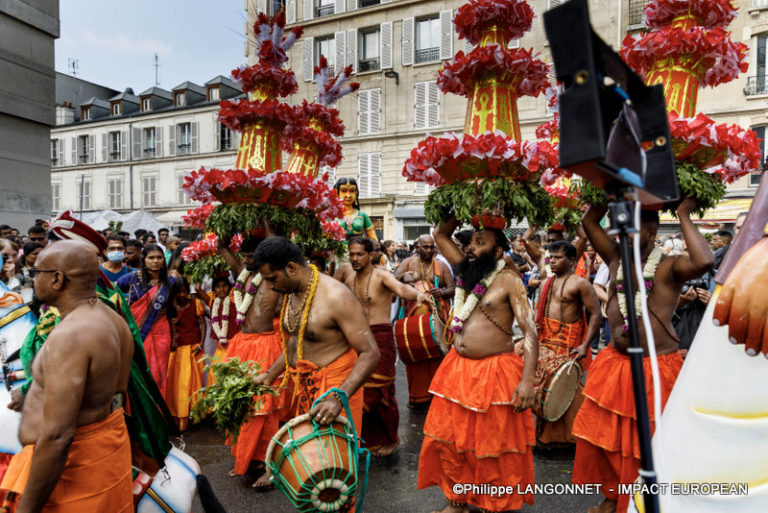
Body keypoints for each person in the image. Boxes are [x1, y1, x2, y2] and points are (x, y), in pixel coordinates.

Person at [573, 199, 714, 513]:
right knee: (608, 441)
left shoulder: (669, 266)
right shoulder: (614, 257)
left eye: (631, 231)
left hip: (655, 368)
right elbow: (589, 224)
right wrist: (603, 188)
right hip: (614, 363)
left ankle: (645, 504)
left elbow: (704, 261)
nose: (621, 237)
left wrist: (682, 214)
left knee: (646, 445)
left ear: (652, 233)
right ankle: (613, 500)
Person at [0, 241, 134, 512]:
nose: (32, 278)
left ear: (57, 279)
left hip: (73, 471)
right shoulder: (110, 317)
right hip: (105, 450)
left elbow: (58, 435)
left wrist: (28, 507)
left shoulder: (71, 335)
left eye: (36, 272)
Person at [419, 217, 538, 513]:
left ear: (499, 252)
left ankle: (492, 504)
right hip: (457, 370)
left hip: (495, 373)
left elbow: (530, 332)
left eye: (480, 243)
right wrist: (462, 203)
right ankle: (456, 502)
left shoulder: (509, 280)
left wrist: (527, 382)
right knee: (451, 441)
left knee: (492, 447)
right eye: (471, 241)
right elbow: (440, 233)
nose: (471, 247)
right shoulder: (465, 269)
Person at [253, 237, 379, 453]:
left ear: (291, 268)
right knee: (308, 463)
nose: (271, 287)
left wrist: (338, 397)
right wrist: (270, 375)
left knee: (332, 469)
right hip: (305, 388)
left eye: (273, 278)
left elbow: (370, 353)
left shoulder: (336, 296)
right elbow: (297, 340)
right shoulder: (292, 291)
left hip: (334, 390)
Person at [342, 237, 429, 457]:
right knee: (357, 390)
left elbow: (401, 289)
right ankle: (365, 438)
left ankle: (392, 438)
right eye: (351, 254)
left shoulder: (381, 275)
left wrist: (419, 295)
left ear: (370, 255)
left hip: (380, 338)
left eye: (359, 254)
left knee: (380, 391)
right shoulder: (345, 275)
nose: (354, 258)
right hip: (354, 338)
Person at [216, 234, 284, 488]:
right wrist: (231, 218)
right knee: (242, 405)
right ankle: (247, 459)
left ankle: (271, 468)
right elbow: (222, 247)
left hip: (265, 345)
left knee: (265, 409)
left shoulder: (272, 278)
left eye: (251, 255)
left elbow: (276, 241)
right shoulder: (242, 273)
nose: (245, 259)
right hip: (241, 344)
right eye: (243, 255)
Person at [534, 240, 601, 446]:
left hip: (568, 343)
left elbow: (596, 314)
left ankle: (570, 436)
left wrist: (584, 345)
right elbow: (539, 312)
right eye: (550, 257)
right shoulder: (546, 282)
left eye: (558, 257)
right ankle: (544, 437)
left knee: (564, 385)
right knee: (541, 387)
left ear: (571, 260)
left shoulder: (581, 283)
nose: (552, 261)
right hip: (545, 340)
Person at [395, 234, 455, 407]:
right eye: (425, 247)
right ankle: (418, 397)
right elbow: (395, 283)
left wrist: (441, 293)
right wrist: (406, 279)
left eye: (431, 247)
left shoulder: (442, 266)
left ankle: (437, 396)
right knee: (416, 357)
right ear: (417, 248)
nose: (429, 250)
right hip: (414, 324)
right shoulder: (407, 263)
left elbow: (452, 288)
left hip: (438, 319)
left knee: (438, 356)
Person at [117, 244, 178, 399]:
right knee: (139, 371)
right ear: (144, 260)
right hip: (137, 331)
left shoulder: (172, 282)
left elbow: (172, 310)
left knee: (159, 373)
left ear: (164, 260)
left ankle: (159, 408)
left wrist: (175, 335)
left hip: (161, 332)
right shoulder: (129, 279)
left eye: (159, 257)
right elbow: (115, 296)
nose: (156, 261)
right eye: (151, 258)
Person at [165, 278, 205, 432]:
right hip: (177, 351)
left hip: (194, 348)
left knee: (193, 384)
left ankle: (193, 415)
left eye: (185, 291)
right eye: (179, 292)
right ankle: (178, 417)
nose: (182, 294)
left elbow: (202, 324)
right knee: (178, 385)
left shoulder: (196, 304)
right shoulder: (170, 307)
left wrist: (201, 344)